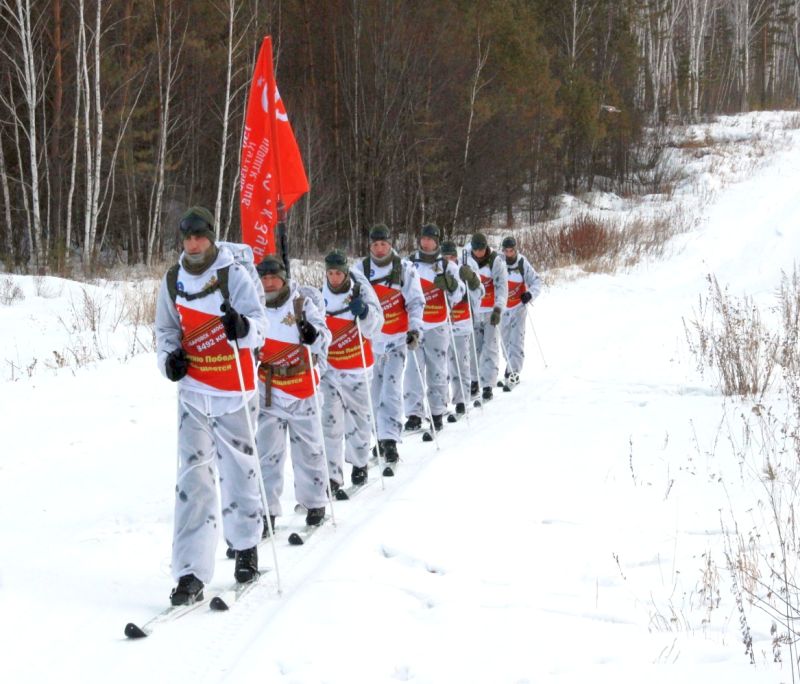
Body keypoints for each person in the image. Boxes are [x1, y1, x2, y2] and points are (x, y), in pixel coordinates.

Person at [155, 206, 268, 606]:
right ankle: (190, 571)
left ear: (211, 236)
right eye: (187, 238)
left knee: (239, 468)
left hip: (233, 389)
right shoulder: (173, 280)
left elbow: (259, 323)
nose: (193, 244)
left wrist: (244, 327)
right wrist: (170, 360)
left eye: (199, 236)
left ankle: (246, 545)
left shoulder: (232, 274)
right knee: (193, 480)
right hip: (194, 391)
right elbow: (166, 330)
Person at [254, 255, 332, 532]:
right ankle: (266, 512)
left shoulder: (301, 304)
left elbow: (325, 336)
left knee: (309, 451)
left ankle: (315, 502)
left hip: (302, 389)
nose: (269, 283)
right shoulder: (255, 307)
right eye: (263, 278)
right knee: (267, 455)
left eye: (273, 277)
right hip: (269, 392)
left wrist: (313, 334)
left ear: (284, 278)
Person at [352, 224, 424, 472]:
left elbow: (415, 302)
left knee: (391, 390)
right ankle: (379, 436)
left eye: (383, 244)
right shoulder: (359, 270)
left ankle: (390, 438)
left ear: (390, 243)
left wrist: (415, 329)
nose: (380, 248)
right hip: (371, 342)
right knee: (373, 394)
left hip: (397, 339)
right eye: (375, 244)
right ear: (369, 246)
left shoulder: (404, 269)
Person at [320, 249, 384, 492]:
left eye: (338, 273)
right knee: (330, 423)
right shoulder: (320, 295)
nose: (334, 278)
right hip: (331, 370)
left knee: (358, 419)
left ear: (346, 272)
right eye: (330, 273)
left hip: (357, 366)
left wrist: (365, 313)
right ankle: (332, 476)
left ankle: (359, 464)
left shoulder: (361, 290)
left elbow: (376, 326)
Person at [404, 224, 466, 433]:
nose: (426, 242)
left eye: (430, 239)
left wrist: (450, 285)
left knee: (437, 369)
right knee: (413, 370)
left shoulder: (447, 265)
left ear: (437, 240)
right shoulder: (410, 263)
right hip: (415, 325)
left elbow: (459, 295)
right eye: (423, 238)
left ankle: (437, 412)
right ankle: (414, 413)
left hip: (438, 324)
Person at [464, 232, 508, 402]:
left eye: (481, 249)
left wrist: (498, 309)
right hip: (474, 310)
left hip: (490, 310)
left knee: (490, 346)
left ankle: (488, 383)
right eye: (476, 249)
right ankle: (474, 380)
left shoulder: (495, 261)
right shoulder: (467, 258)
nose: (479, 252)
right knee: (474, 347)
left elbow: (501, 287)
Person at [441, 240, 482, 416]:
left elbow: (479, 292)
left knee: (461, 364)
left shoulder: (463, 270)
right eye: (445, 257)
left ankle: (462, 400)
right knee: (441, 367)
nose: (448, 260)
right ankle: (439, 404)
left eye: (451, 256)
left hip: (462, 323)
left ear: (456, 257)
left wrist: (471, 279)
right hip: (443, 325)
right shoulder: (438, 271)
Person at [499, 236, 542, 389]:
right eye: (506, 251)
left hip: (518, 307)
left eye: (512, 250)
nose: (509, 253)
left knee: (516, 340)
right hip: (503, 308)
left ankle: (513, 372)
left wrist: (529, 294)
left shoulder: (522, 262)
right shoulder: (499, 262)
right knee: (504, 341)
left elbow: (537, 281)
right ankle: (508, 366)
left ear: (516, 249)